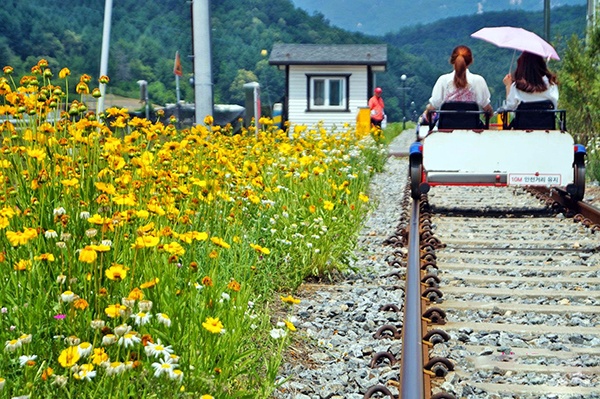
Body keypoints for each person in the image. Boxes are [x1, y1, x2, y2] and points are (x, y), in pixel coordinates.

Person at [423, 45, 493, 121]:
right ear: (470, 61)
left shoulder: (443, 80)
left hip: (446, 126)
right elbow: (486, 108)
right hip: (472, 126)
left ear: (452, 60)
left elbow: (434, 104)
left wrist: (427, 111)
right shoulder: (478, 80)